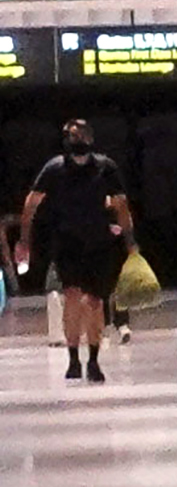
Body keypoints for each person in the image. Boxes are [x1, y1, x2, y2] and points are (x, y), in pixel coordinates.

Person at [18, 120, 135, 383]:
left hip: (99, 244)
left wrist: (130, 242)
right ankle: (73, 359)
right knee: (72, 297)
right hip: (67, 243)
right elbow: (32, 203)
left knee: (94, 302)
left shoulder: (105, 168)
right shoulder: (55, 168)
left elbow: (121, 205)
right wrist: (24, 239)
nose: (77, 140)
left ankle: (93, 361)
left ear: (91, 139)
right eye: (73, 135)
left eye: (82, 135)